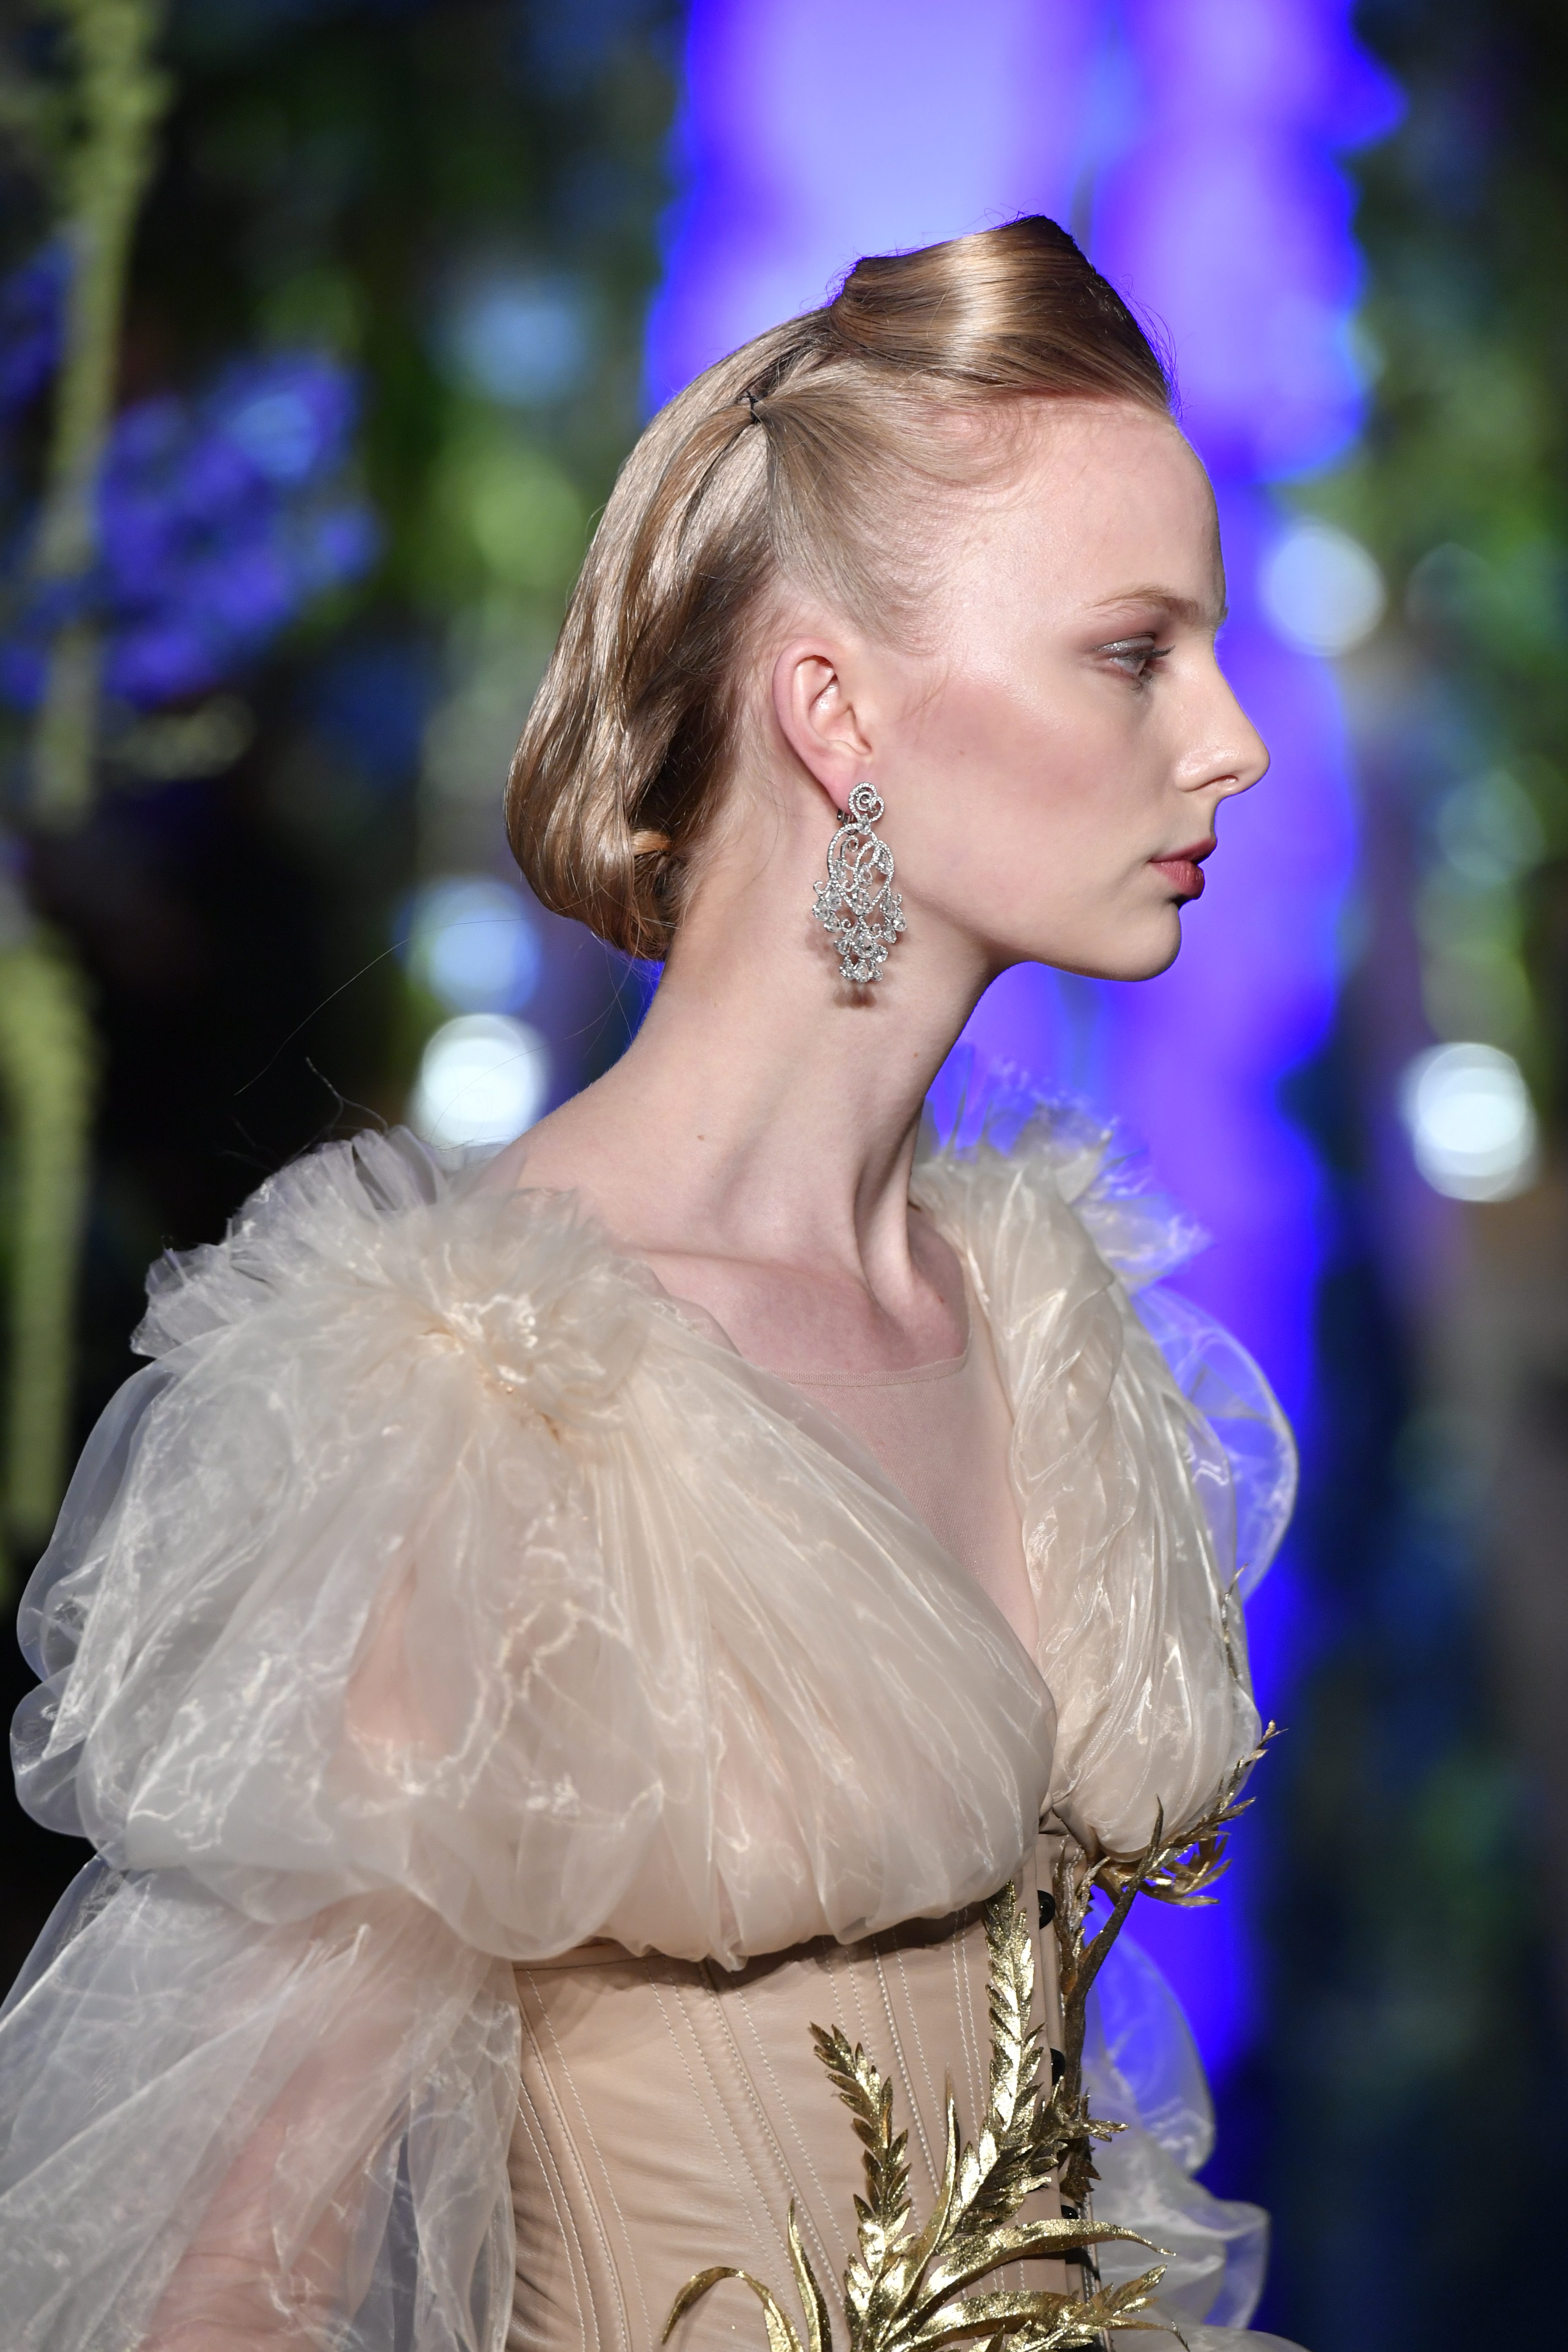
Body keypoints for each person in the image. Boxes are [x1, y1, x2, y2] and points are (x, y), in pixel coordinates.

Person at [0, 218, 1303, 2352]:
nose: (1231, 738)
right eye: (1131, 651)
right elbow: (235, 2278)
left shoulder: (1040, 1318)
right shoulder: (475, 1384)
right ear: (834, 711)